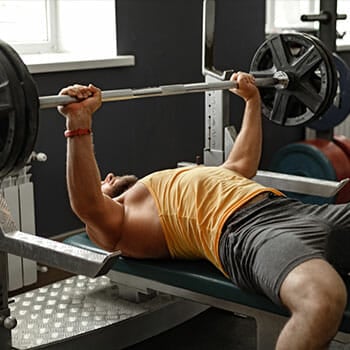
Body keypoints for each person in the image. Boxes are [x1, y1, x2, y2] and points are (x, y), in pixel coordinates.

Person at [58, 72, 349, 350]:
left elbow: (241, 166)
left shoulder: (174, 179)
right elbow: (87, 204)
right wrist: (79, 123)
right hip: (247, 232)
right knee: (321, 300)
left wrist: (252, 101)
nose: (106, 177)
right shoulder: (122, 218)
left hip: (293, 209)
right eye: (100, 183)